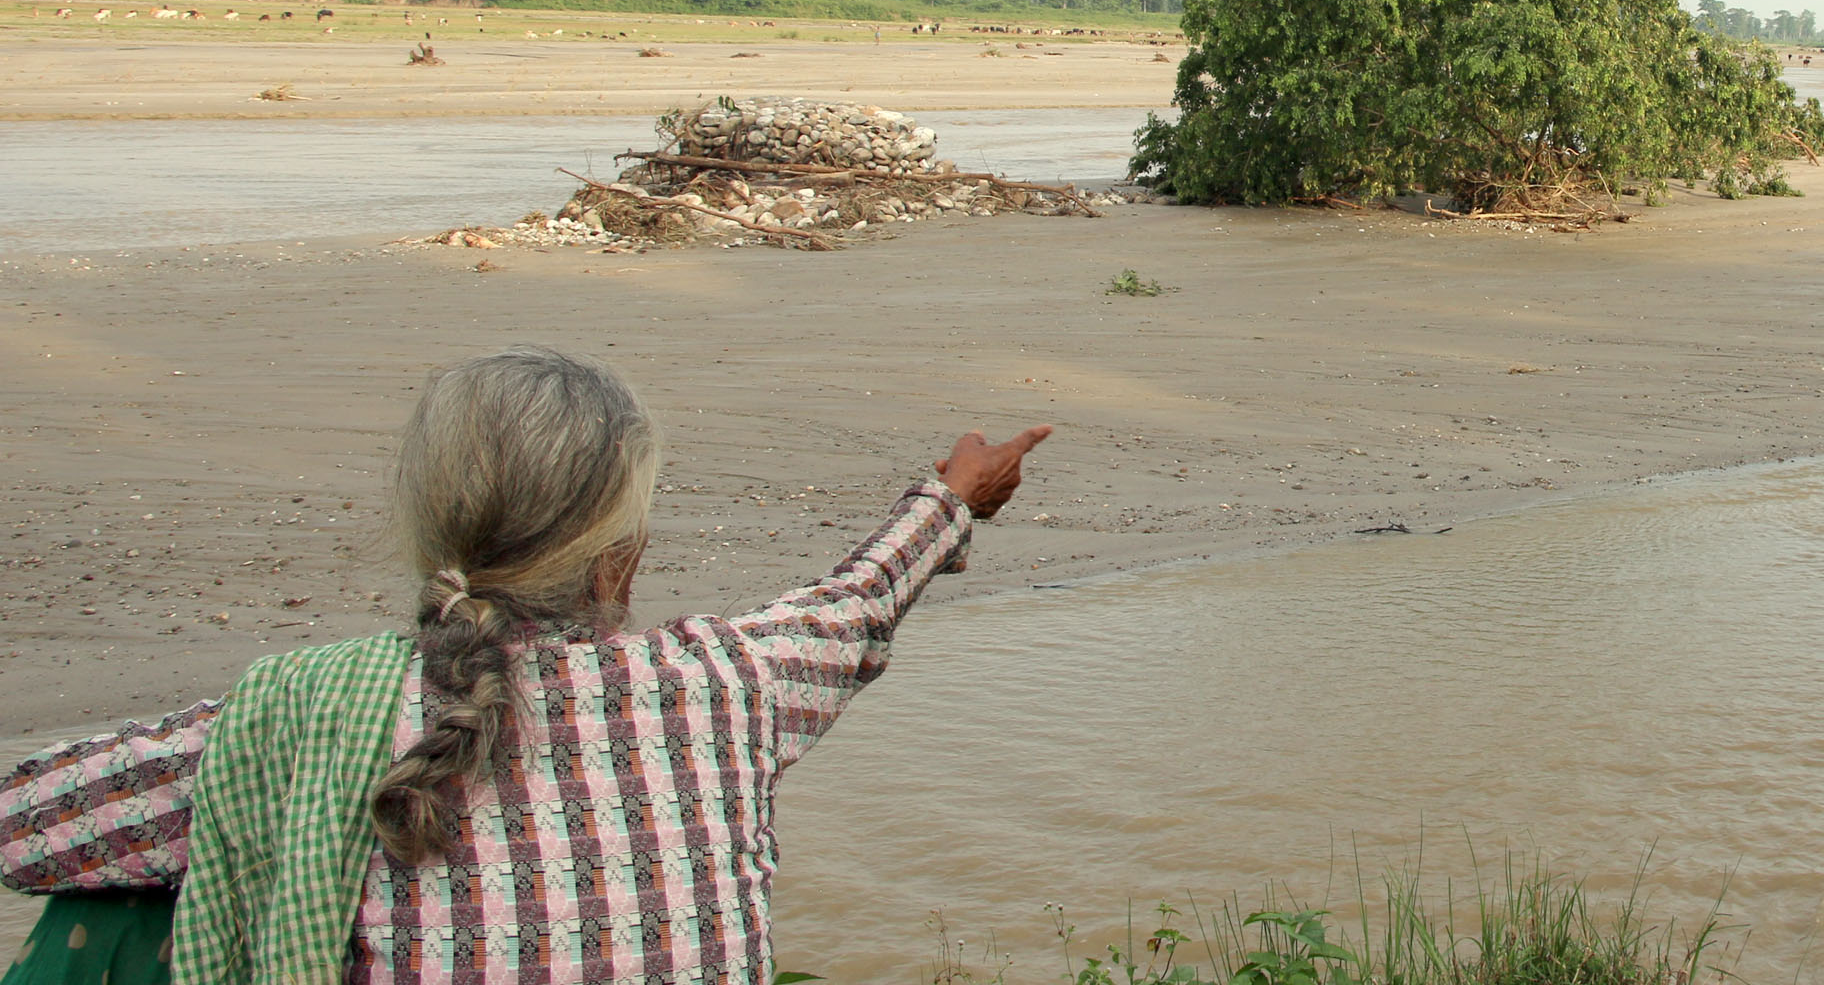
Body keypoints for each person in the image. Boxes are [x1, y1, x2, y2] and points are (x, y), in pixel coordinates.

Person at [0, 346, 1050, 984]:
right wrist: (951, 501)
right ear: (624, 554)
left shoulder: (300, 718)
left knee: (129, 884)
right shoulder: (727, 687)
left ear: (429, 531)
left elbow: (26, 823)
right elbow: (850, 609)